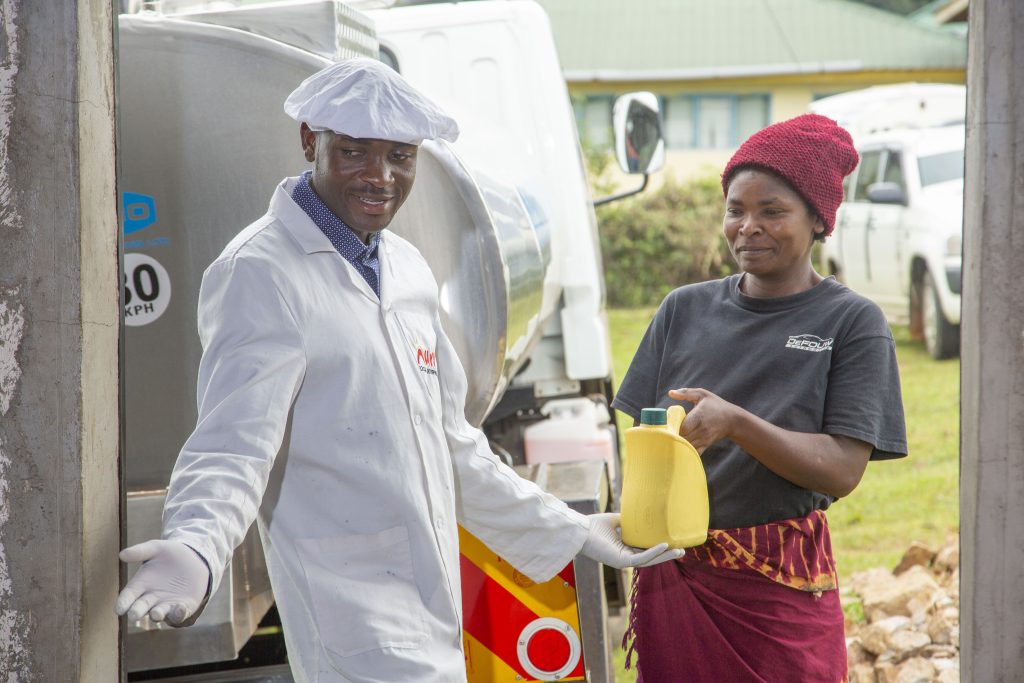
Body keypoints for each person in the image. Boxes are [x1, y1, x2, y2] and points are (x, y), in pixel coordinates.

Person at [114, 58, 680, 683]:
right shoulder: (260, 272)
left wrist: (570, 529)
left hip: (430, 607)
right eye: (354, 151)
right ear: (310, 140)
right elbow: (233, 442)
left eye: (400, 156)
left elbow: (451, 446)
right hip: (350, 617)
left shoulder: (405, 266)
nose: (379, 176)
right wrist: (197, 543)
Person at [612, 113, 908, 682]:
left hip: (779, 588)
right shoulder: (684, 310)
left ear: (819, 221)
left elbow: (843, 471)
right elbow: (643, 436)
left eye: (772, 211)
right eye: (735, 209)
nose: (748, 226)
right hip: (677, 575)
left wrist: (736, 424)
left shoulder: (851, 322)